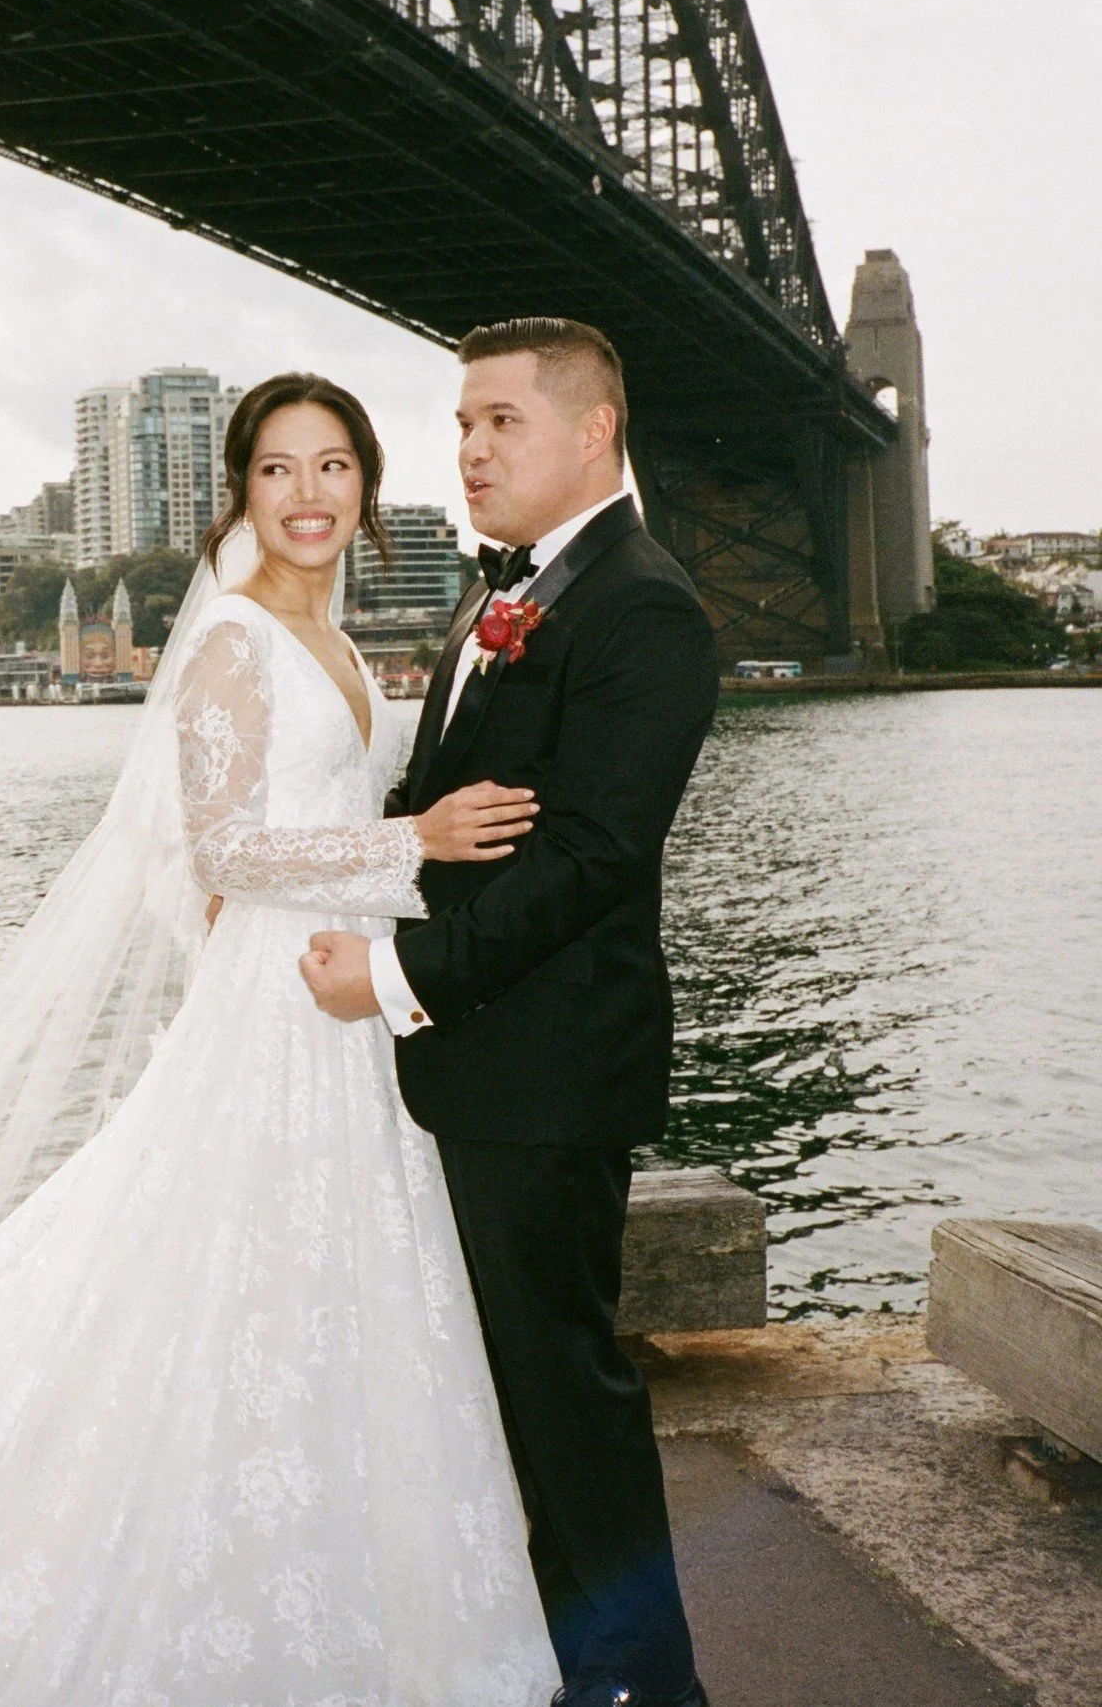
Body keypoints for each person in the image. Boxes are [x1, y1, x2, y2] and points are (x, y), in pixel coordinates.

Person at [0, 374, 562, 1705]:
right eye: (277, 471)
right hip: (275, 1002)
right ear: (243, 493)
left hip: (351, 1000)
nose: (308, 496)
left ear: (366, 486)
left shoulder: (350, 647)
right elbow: (222, 846)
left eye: (332, 468)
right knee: (200, 1282)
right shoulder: (235, 642)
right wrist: (410, 842)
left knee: (327, 1298)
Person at [302, 318, 719, 1707]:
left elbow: (596, 860)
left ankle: (642, 1688)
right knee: (517, 1400)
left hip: (546, 1072)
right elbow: (447, 817)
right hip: (485, 1071)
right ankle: (571, 1664)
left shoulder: (641, 605)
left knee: (565, 1403)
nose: (470, 448)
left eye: (501, 422)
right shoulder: (513, 592)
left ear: (593, 432)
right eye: (463, 423)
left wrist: (399, 981)